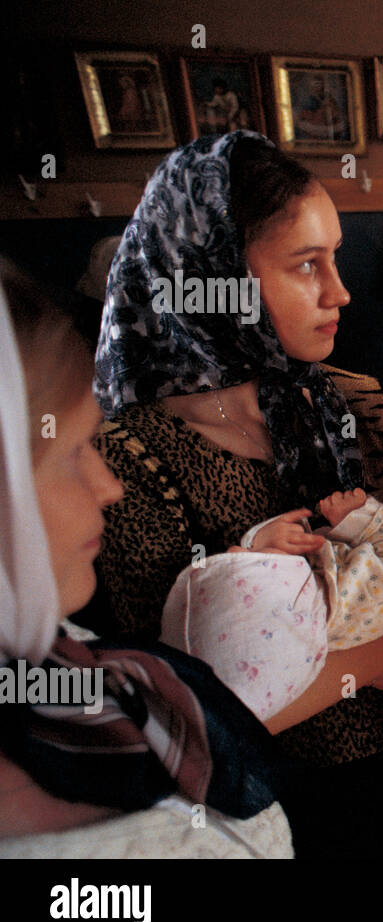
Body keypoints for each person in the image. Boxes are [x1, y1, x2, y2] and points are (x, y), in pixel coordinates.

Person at [88, 131, 383, 858]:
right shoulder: (131, 456)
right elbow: (185, 704)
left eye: (335, 258)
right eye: (307, 266)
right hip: (279, 800)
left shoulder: (363, 405)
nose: (341, 292)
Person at [0, 259, 291, 858]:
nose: (108, 486)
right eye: (74, 451)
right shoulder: (141, 443)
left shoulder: (51, 647)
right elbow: (181, 625)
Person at [161, 488, 383, 722]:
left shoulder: (296, 608)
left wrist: (261, 541)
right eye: (248, 563)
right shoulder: (351, 607)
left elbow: (266, 564)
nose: (234, 550)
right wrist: (362, 519)